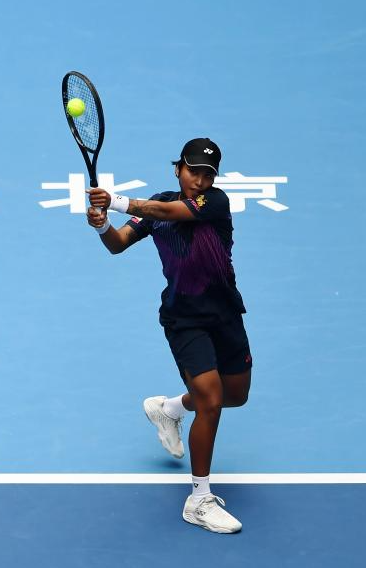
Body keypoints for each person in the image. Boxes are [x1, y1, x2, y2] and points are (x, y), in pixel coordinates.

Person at [86, 137, 251, 534]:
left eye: (208, 174)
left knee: (235, 396)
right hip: (184, 319)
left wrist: (116, 201)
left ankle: (170, 409)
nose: (200, 180)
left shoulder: (214, 203)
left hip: (226, 315)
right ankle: (199, 500)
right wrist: (103, 224)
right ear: (178, 169)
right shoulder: (158, 206)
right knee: (211, 401)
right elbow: (118, 244)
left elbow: (166, 211)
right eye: (193, 171)